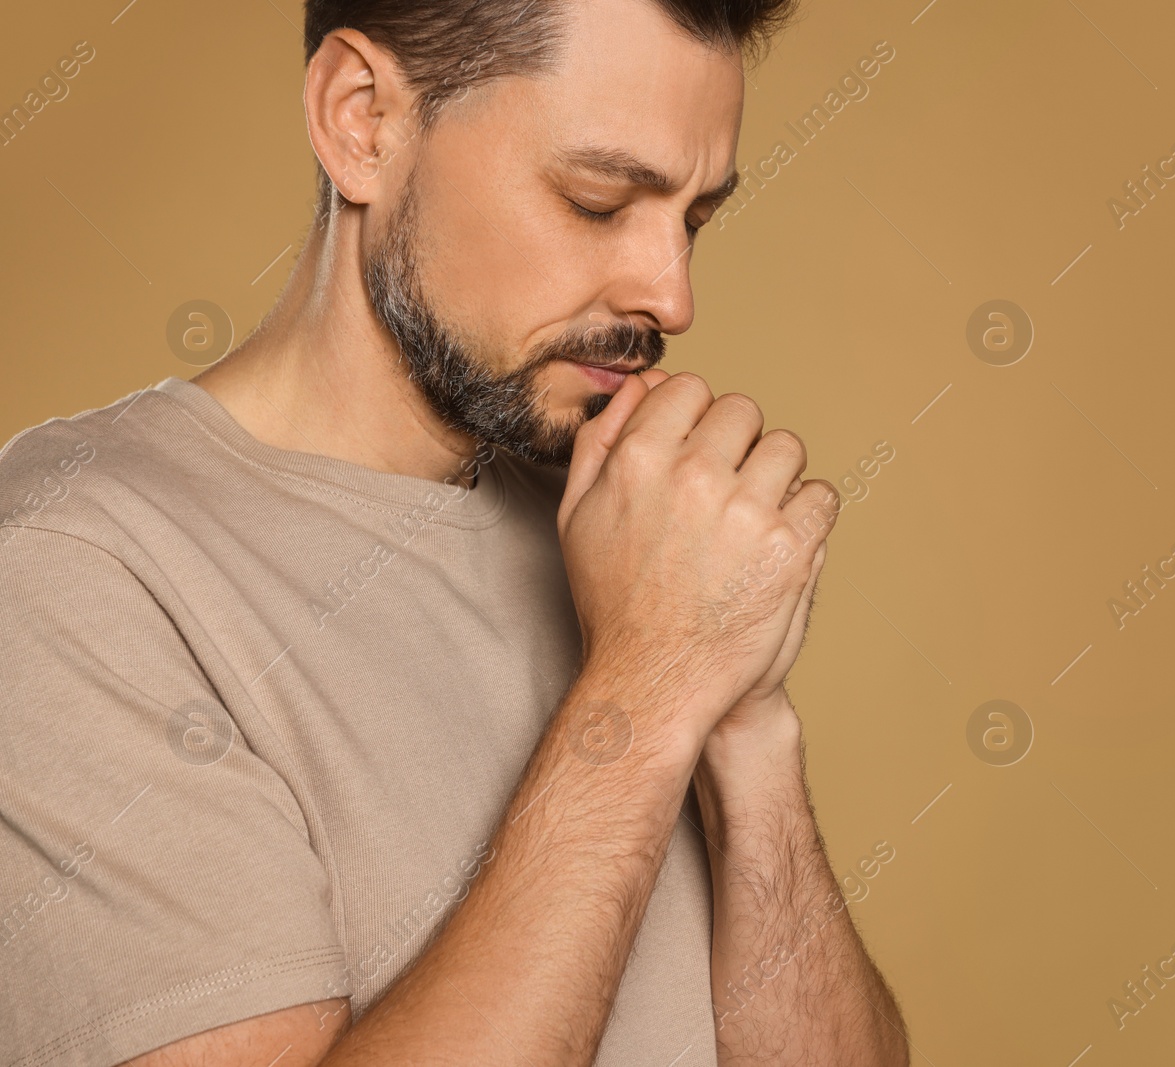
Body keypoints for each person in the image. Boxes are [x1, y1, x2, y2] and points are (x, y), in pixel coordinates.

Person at [0, 1, 909, 1063]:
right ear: (362, 122)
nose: (670, 291)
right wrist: (652, 684)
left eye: (694, 218)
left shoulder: (631, 532)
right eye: (597, 200)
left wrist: (744, 718)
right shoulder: (67, 570)